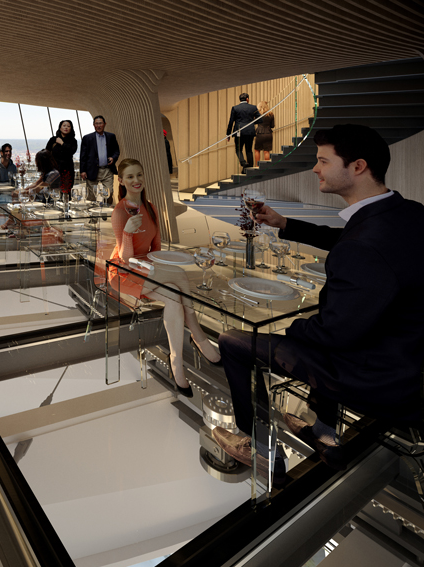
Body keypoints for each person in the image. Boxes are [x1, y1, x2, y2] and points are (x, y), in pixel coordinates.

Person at [213, 124, 424, 483]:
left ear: (357, 167)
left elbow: (334, 332)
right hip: (407, 358)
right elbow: (351, 239)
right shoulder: (408, 213)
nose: (315, 169)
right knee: (315, 328)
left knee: (235, 342)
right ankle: (325, 434)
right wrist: (284, 224)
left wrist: (285, 329)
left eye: (323, 161)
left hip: (376, 379)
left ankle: (260, 449)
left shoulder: (364, 247)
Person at [108, 158, 221, 394]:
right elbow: (127, 260)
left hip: (146, 268)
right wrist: (128, 234)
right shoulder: (119, 213)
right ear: (121, 181)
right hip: (123, 272)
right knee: (179, 276)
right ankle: (198, 336)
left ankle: (176, 362)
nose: (136, 180)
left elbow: (156, 250)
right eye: (130, 176)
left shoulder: (150, 208)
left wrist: (160, 270)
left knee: (173, 296)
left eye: (139, 175)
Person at [79, 115, 120, 202]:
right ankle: (91, 215)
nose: (98, 125)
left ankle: (106, 213)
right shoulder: (87, 138)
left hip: (107, 170)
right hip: (92, 170)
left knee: (109, 193)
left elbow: (116, 151)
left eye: (100, 123)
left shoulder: (111, 136)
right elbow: (83, 156)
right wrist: (82, 170)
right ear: (94, 125)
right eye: (96, 123)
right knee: (91, 196)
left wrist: (113, 158)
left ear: (104, 124)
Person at [226, 93, 260, 171]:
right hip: (250, 131)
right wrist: (251, 123)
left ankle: (243, 163)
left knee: (238, 149)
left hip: (238, 131)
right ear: (247, 99)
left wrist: (228, 134)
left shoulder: (235, 108)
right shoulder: (253, 107)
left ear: (240, 99)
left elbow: (231, 122)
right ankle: (250, 168)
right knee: (249, 150)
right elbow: (260, 119)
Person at [45, 119, 77, 197]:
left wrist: (62, 143)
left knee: (65, 194)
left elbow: (71, 151)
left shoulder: (73, 141)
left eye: (68, 126)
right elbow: (46, 153)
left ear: (71, 128)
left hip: (67, 171)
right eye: (64, 126)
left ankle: (66, 208)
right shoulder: (53, 139)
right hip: (54, 170)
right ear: (60, 128)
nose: (66, 127)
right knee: (51, 192)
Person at [0, 143, 18, 230]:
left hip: (10, 194)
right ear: (1, 153)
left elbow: (15, 183)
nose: (8, 153)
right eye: (6, 151)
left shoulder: (13, 167)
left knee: (20, 202)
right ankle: (12, 221)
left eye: (10, 151)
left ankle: (16, 223)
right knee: (12, 203)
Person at [254, 100, 275, 168]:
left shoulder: (258, 114)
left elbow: (254, 122)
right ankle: (266, 167)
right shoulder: (271, 114)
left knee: (257, 150)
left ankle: (257, 166)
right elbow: (272, 126)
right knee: (266, 151)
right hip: (268, 133)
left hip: (259, 133)